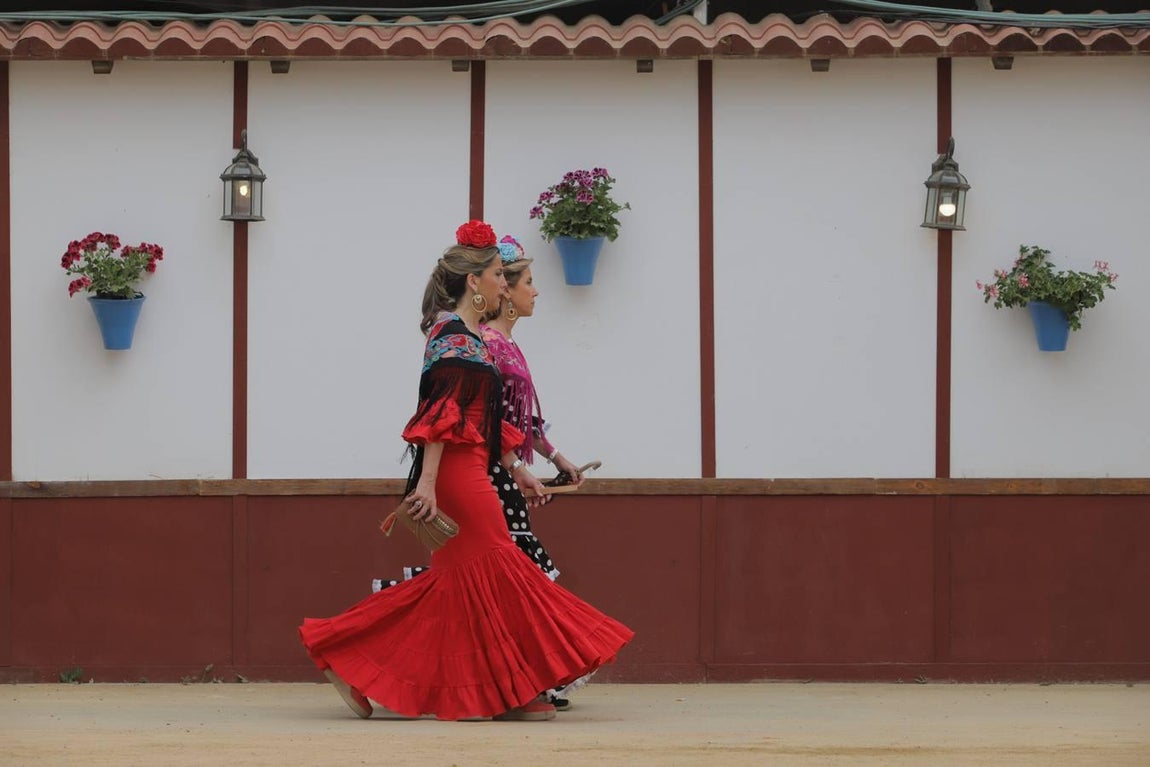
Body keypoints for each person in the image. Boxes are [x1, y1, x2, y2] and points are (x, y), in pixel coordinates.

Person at [299, 220, 633, 722]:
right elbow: (440, 420)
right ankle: (510, 690)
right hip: (456, 473)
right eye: (499, 273)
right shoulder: (451, 335)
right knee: (500, 564)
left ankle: (351, 656)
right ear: (474, 283)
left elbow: (483, 419)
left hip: (474, 464)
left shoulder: (471, 338)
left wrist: (514, 467)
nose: (505, 281)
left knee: (457, 584)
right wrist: (430, 486)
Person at [480, 234, 596, 710]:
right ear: (505, 290)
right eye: (529, 282)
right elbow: (488, 417)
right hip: (487, 473)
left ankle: (526, 677)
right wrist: (517, 465)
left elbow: (521, 419)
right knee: (523, 573)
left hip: (504, 471)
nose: (536, 291)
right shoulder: (488, 343)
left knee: (509, 577)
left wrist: (555, 457)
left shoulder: (506, 345)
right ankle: (536, 676)